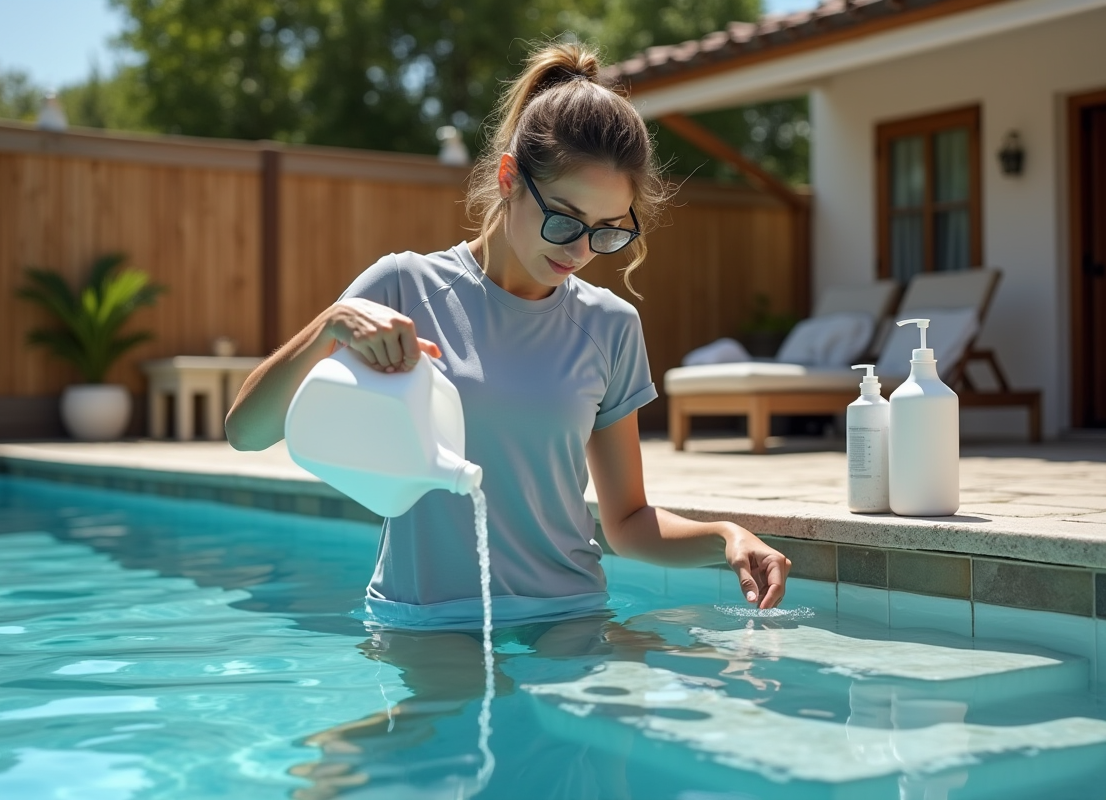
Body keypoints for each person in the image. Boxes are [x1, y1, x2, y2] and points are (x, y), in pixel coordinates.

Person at [226, 41, 792, 633]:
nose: (579, 251)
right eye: (565, 219)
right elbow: (245, 432)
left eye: (605, 231)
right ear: (508, 178)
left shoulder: (610, 325)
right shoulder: (403, 285)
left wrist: (726, 536)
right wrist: (330, 326)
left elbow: (626, 521)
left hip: (568, 617)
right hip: (425, 621)